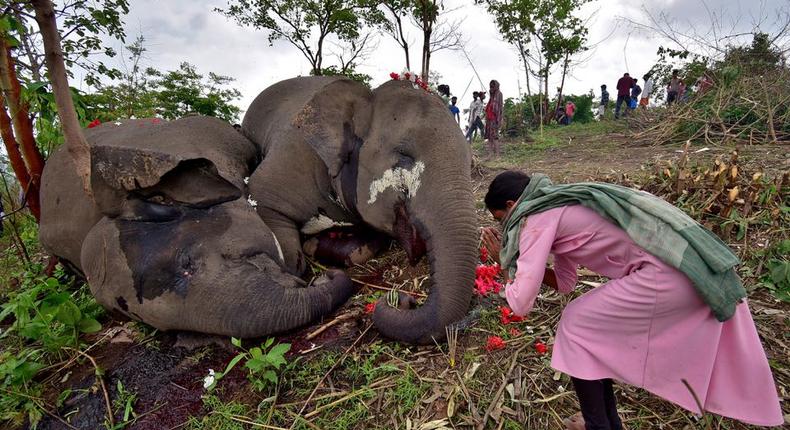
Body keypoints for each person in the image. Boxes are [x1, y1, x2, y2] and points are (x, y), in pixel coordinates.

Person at [480, 170, 783, 430]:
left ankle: (598, 425)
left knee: (576, 323)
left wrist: (504, 264)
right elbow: (565, 282)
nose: (505, 227)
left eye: (501, 219)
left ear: (512, 205)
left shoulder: (535, 217)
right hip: (673, 269)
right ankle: (606, 424)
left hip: (664, 274)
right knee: (586, 333)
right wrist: (527, 266)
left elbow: (520, 303)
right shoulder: (561, 202)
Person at [484, 80, 504, 157]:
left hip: (494, 119)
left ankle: (497, 155)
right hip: (489, 119)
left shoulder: (499, 94)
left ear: (496, 86)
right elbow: (488, 107)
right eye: (490, 86)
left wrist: (500, 119)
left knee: (495, 137)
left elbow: (499, 108)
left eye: (493, 86)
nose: (491, 88)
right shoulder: (491, 97)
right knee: (489, 137)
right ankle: (490, 154)